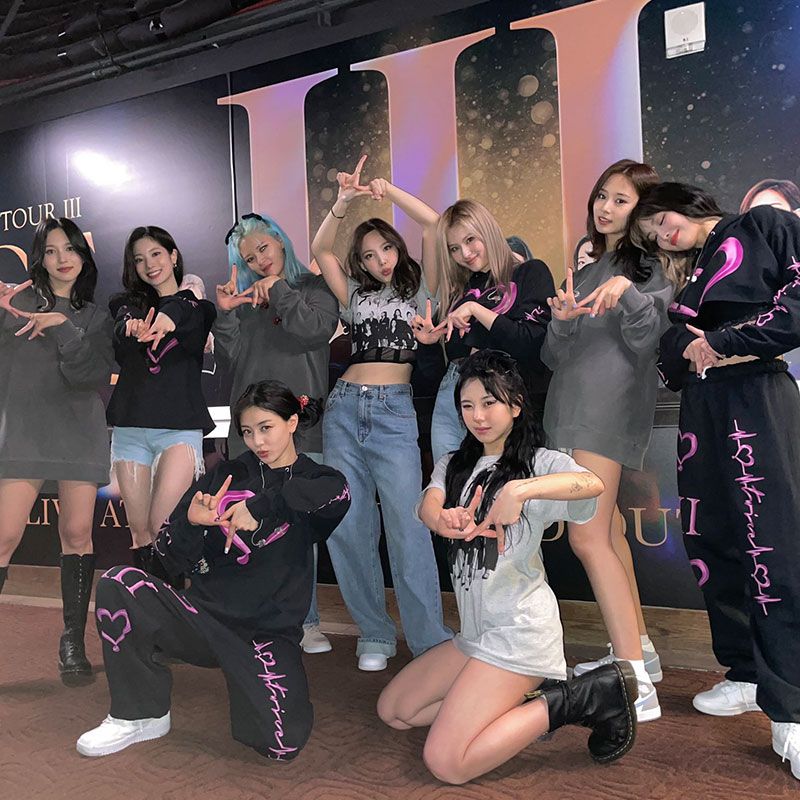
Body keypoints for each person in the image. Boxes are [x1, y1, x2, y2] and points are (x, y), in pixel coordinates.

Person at [377, 351, 637, 785]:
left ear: (515, 405)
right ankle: (510, 702)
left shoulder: (538, 461)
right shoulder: (455, 463)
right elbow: (428, 504)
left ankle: (574, 699)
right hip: (475, 637)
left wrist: (519, 490)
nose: (478, 416)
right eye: (467, 405)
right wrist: (442, 518)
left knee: (446, 762)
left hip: (520, 636)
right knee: (396, 711)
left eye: (489, 403)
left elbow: (591, 483)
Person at [76, 380, 351, 760]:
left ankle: (246, 678)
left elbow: (338, 494)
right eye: (247, 432)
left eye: (266, 428)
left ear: (291, 422)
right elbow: (170, 556)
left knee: (281, 744)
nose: (257, 441)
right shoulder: (227, 475)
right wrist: (192, 523)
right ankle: (140, 714)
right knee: (118, 583)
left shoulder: (314, 479)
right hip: (204, 619)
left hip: (265, 634)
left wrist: (261, 507)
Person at [630, 181, 800, 781]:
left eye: (659, 219)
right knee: (713, 540)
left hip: (757, 395)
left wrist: (722, 342)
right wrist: (693, 350)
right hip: (704, 407)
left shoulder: (764, 226)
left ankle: (793, 704)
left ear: (686, 201)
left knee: (771, 544)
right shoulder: (691, 279)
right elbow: (671, 353)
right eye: (652, 235)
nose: (662, 234)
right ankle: (747, 673)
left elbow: (796, 303)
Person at [540, 159, 674, 722]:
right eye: (602, 196)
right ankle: (639, 652)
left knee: (588, 537)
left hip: (607, 411)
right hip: (569, 407)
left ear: (643, 209)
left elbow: (647, 340)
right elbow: (554, 355)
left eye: (621, 199)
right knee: (610, 531)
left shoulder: (650, 267)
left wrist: (628, 293)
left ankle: (635, 683)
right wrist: (563, 318)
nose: (606, 207)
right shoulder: (589, 266)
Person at [311, 155, 452, 671]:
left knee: (408, 526)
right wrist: (343, 202)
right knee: (349, 525)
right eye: (368, 256)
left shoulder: (421, 289)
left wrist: (385, 191)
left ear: (397, 248)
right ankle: (374, 632)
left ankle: (428, 639)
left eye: (386, 249)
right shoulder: (354, 295)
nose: (380, 261)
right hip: (344, 409)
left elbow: (434, 224)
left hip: (394, 412)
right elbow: (321, 250)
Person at [213, 212, 339, 654]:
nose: (260, 260)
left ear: (281, 241)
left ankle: (306, 621)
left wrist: (280, 289)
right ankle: (258, 619)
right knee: (249, 522)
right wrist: (226, 314)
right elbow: (230, 358)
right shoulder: (247, 302)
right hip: (250, 435)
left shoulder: (315, 288)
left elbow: (314, 330)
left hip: (301, 429)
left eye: (263, 248)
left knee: (297, 529)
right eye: (250, 258)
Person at [0, 217, 114, 685]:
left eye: (70, 248)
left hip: (78, 432)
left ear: (83, 255)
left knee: (77, 532)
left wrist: (65, 328)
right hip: (25, 432)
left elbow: (91, 377)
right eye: (50, 250)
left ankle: (72, 641)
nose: (62, 258)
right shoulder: (15, 303)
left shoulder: (97, 316)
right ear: (39, 259)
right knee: (4, 535)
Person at [107, 226, 216, 575]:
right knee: (140, 534)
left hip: (178, 432)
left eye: (156, 254)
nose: (149, 264)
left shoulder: (197, 308)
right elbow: (121, 317)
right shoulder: (128, 305)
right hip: (130, 431)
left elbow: (186, 308)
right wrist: (131, 325)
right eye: (139, 259)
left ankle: (173, 605)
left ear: (173, 255)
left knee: (162, 528)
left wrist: (168, 318)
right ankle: (147, 606)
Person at [413, 199, 555, 464]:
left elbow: (531, 343)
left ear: (487, 231)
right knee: (449, 483)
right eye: (454, 248)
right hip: (452, 396)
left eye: (470, 240)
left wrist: (476, 310)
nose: (465, 254)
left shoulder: (529, 273)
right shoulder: (459, 290)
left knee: (502, 483)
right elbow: (434, 374)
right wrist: (429, 344)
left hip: (502, 395)